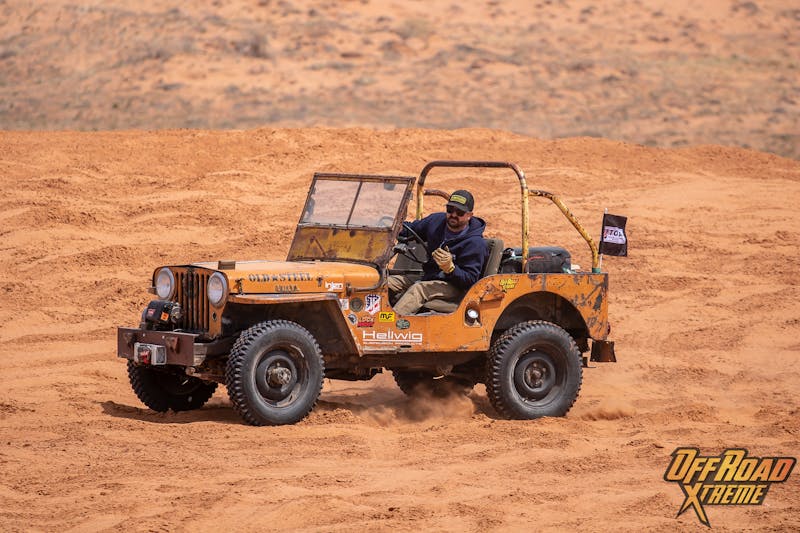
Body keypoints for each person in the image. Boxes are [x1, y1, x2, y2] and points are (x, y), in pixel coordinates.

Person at [389, 189, 487, 315]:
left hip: (454, 287)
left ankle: (390, 323)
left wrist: (451, 269)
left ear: (469, 215)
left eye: (460, 212)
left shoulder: (475, 243)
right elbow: (412, 229)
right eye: (450, 210)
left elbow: (470, 281)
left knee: (419, 290)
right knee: (387, 282)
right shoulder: (436, 222)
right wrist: (393, 227)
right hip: (429, 276)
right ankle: (367, 318)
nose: (453, 215)